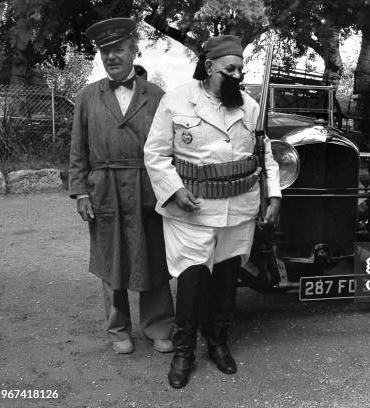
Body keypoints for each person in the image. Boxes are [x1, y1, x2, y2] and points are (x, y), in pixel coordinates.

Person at [144, 35, 281, 388]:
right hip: (193, 211)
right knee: (192, 282)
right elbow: (156, 154)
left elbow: (264, 156)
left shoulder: (250, 106)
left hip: (238, 211)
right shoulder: (177, 100)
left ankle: (218, 342)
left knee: (225, 283)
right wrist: (174, 190)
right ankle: (184, 351)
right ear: (208, 67)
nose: (237, 75)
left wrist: (275, 198)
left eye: (240, 69)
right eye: (229, 69)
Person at [68, 18, 174, 355]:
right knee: (110, 259)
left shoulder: (157, 95)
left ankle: (159, 327)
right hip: (105, 189)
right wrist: (81, 191)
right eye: (105, 51)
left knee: (153, 258)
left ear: (133, 51)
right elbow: (77, 148)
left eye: (118, 49)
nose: (112, 56)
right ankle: (118, 331)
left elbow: (171, 147)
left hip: (148, 186)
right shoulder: (87, 96)